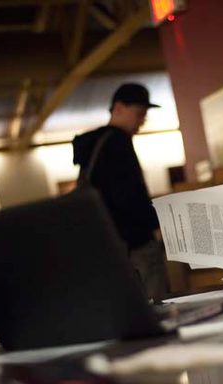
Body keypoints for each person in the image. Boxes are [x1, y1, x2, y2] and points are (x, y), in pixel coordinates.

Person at [72, 83, 168, 300]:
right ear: (118, 108)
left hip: (106, 244)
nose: (142, 120)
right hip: (135, 242)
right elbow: (129, 193)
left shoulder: (93, 144)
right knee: (154, 305)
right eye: (139, 113)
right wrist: (154, 225)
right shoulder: (117, 142)